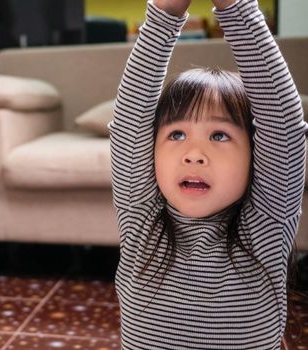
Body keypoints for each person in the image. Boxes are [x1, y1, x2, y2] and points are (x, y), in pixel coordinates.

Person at [109, 0, 305, 348]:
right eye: (177, 135)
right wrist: (163, 14)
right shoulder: (143, 217)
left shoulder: (267, 223)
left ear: (257, 156)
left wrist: (236, 8)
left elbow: (284, 126)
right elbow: (129, 125)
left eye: (219, 136)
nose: (194, 155)